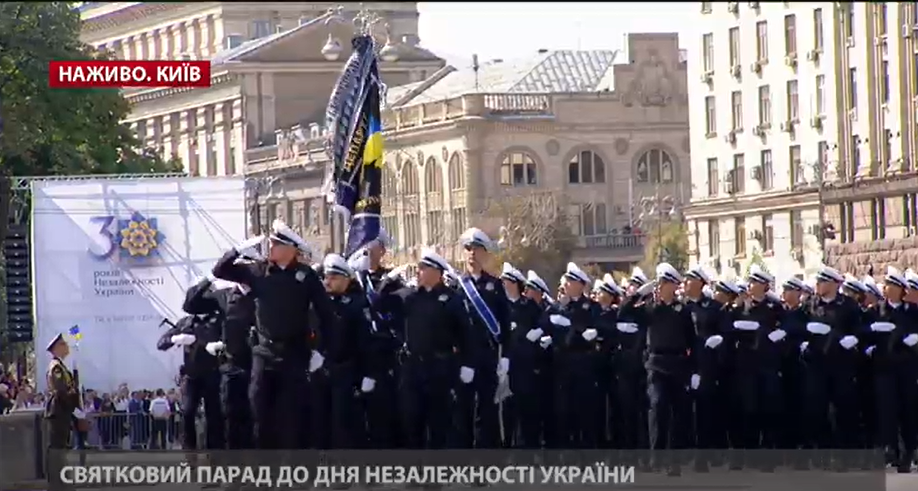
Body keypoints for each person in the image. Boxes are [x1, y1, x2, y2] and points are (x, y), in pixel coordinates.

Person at [211, 219, 336, 449]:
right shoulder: (257, 271)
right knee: (260, 415)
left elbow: (326, 315)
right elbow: (220, 270)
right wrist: (237, 250)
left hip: (294, 355)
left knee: (291, 419)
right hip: (264, 353)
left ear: (290, 249)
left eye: (275, 244)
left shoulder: (305, 276)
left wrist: (321, 351)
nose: (270, 248)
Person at [400, 247, 469, 449]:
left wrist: (467, 364)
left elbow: (466, 334)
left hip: (440, 369)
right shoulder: (412, 298)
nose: (418, 271)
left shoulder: (452, 300)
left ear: (437, 272)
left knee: (439, 423)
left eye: (423, 268)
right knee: (412, 422)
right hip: (414, 369)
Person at [454, 228, 508, 450]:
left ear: (484, 253)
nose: (472, 253)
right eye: (468, 248)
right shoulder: (457, 286)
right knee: (463, 412)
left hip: (487, 356)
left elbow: (505, 323)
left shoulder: (495, 286)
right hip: (464, 357)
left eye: (476, 249)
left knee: (487, 412)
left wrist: (506, 357)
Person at [45, 333, 83, 491]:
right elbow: (61, 391)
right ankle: (57, 483)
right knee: (58, 447)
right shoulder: (56, 367)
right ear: (57, 348)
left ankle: (60, 481)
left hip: (63, 410)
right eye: (63, 344)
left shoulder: (61, 366)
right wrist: (74, 398)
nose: (67, 347)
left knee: (62, 446)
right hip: (58, 410)